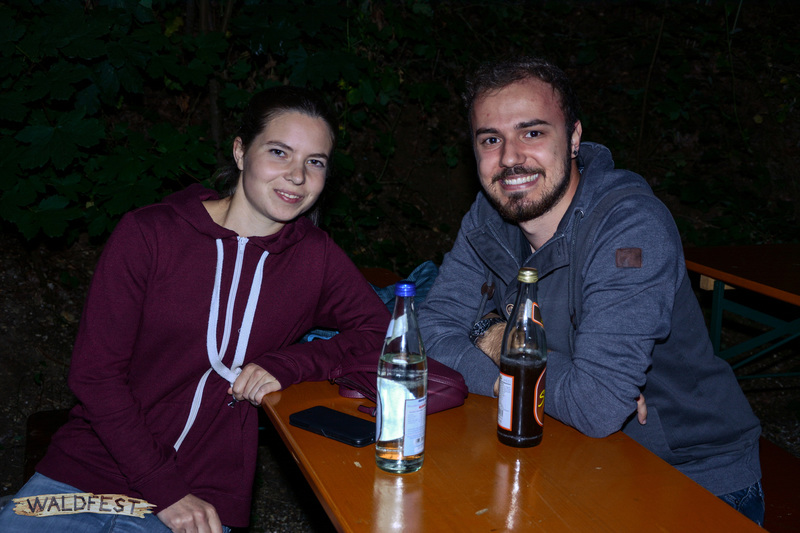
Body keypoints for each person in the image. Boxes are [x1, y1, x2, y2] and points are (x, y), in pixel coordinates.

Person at [0, 86, 389, 532]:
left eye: (315, 162)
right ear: (241, 152)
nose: (297, 176)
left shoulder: (314, 258)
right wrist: (164, 490)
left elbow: (384, 334)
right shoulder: (150, 234)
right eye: (279, 152)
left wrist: (290, 363)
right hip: (85, 475)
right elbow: (95, 376)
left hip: (204, 492)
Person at [418, 57, 764, 524]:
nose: (510, 158)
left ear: (574, 138)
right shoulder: (488, 216)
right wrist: (512, 365)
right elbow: (429, 333)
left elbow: (596, 405)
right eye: (491, 140)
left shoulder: (630, 229)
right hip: (570, 457)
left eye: (532, 132)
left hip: (687, 478)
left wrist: (494, 338)